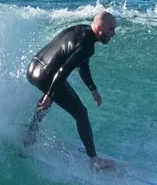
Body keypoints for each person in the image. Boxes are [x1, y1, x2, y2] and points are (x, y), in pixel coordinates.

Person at [25, 11, 117, 166]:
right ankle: (94, 161)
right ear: (100, 28)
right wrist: (49, 94)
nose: (113, 34)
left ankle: (31, 132)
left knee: (52, 96)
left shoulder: (81, 29)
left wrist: (92, 89)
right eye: (111, 29)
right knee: (81, 113)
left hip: (33, 68)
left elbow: (82, 64)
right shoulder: (88, 46)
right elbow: (64, 70)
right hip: (47, 76)